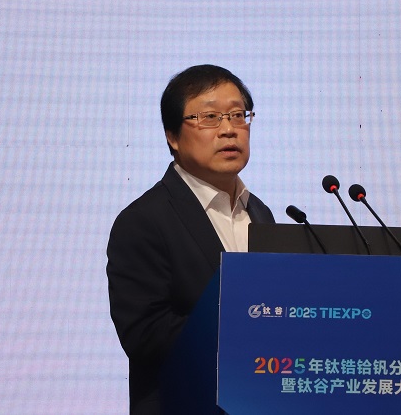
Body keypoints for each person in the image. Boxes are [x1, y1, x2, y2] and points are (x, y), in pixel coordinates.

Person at [106, 64, 275, 414]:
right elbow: (144, 335)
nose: (229, 129)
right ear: (172, 136)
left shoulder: (260, 214)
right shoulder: (143, 221)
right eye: (210, 117)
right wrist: (245, 325)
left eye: (238, 115)